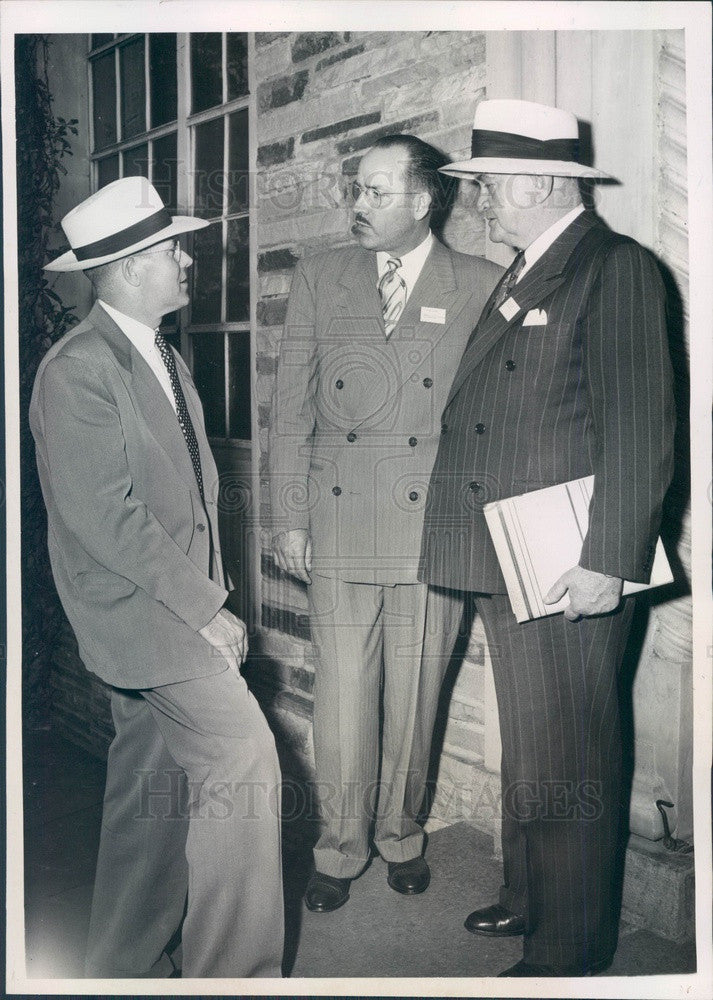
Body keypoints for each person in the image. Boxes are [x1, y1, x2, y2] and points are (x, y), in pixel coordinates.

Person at [419, 99, 675, 977]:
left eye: (487, 184)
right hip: (512, 551)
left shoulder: (615, 269)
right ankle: (530, 895)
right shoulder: (530, 265)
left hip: (570, 560)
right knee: (532, 743)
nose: (479, 201)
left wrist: (608, 561)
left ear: (534, 181)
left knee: (569, 748)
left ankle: (568, 948)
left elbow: (641, 429)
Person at [29, 176, 284, 978]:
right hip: (147, 617)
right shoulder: (76, 370)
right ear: (135, 264)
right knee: (244, 759)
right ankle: (234, 978)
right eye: (172, 249)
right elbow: (106, 518)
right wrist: (207, 609)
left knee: (153, 794)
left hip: (168, 606)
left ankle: (119, 967)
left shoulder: (162, 355)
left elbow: (188, 502)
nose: (185, 261)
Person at [269, 135, 502, 912]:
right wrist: (289, 518)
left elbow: (494, 420)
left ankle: (400, 834)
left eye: (373, 191)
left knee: (415, 695)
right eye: (355, 190)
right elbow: (289, 409)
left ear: (422, 199)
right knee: (341, 698)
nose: (356, 205)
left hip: (430, 527)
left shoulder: (482, 283)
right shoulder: (321, 275)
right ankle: (340, 847)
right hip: (337, 524)